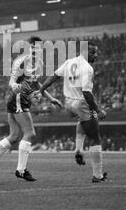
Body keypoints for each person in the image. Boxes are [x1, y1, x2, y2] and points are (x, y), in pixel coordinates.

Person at [0, 36, 62, 181]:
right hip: (18, 98)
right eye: (32, 47)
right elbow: (11, 81)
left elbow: (36, 84)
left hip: (20, 100)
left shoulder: (39, 63)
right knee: (30, 133)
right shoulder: (21, 61)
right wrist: (15, 86)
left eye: (37, 47)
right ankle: (21, 170)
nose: (34, 49)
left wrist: (51, 99)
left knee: (14, 136)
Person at [39, 41, 108, 182]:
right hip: (80, 102)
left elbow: (55, 76)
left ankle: (78, 149)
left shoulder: (69, 62)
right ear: (86, 52)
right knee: (95, 137)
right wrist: (99, 109)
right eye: (94, 52)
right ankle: (97, 175)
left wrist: (42, 88)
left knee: (82, 120)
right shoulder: (88, 68)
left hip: (68, 103)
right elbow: (87, 93)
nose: (96, 55)